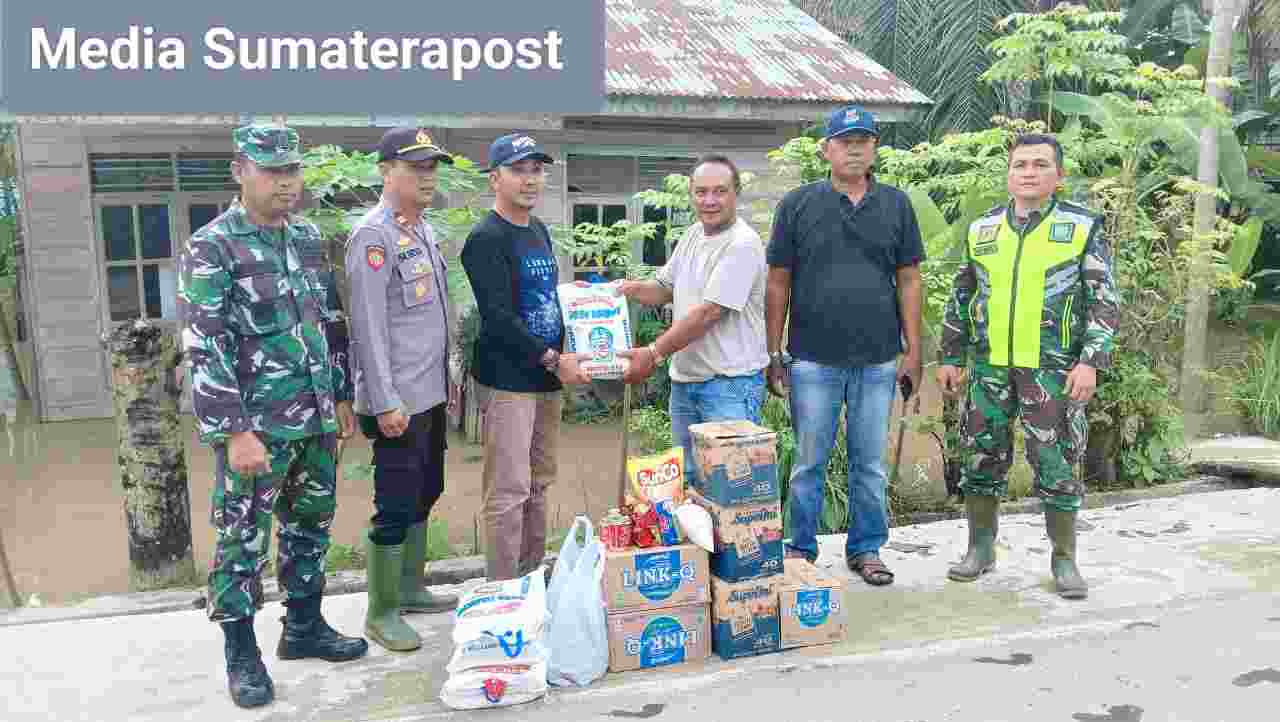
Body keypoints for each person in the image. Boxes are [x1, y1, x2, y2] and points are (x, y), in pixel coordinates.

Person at [177, 125, 368, 710]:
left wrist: (338, 397)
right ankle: (241, 654)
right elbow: (204, 347)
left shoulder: (307, 238)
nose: (287, 181)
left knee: (310, 528)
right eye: (272, 170)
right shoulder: (212, 247)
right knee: (241, 541)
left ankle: (303, 628)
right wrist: (234, 431)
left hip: (314, 420)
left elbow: (328, 322)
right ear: (241, 171)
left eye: (293, 171)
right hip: (256, 428)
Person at [937, 133, 1119, 600]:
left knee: (1057, 464)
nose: (1029, 172)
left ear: (1059, 176)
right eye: (1020, 164)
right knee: (980, 459)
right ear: (1009, 174)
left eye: (1040, 164)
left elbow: (1104, 300)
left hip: (1052, 371)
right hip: (991, 369)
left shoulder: (1081, 227)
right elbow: (962, 297)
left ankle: (1064, 559)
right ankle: (980, 549)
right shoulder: (983, 230)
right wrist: (952, 357)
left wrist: (1090, 362)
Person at [765, 105, 925, 586]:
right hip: (812, 359)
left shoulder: (897, 205)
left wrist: (913, 350)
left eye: (864, 139)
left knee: (869, 464)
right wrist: (774, 354)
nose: (854, 148)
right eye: (845, 140)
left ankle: (867, 549)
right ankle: (799, 549)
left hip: (877, 360)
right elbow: (778, 282)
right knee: (809, 462)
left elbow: (910, 279)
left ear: (875, 147)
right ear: (826, 149)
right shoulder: (797, 204)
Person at [344, 127, 461, 652]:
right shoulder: (375, 236)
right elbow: (368, 326)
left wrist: (449, 380)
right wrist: (385, 399)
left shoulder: (423, 229)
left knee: (426, 488)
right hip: (397, 400)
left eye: (432, 167)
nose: (427, 177)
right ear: (386, 172)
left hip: (429, 390)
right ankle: (381, 611)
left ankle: (411, 587)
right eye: (416, 168)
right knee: (394, 501)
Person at [461, 132, 590, 582]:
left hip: (546, 379)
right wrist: (554, 359)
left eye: (537, 170)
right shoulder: (485, 237)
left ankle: (532, 577)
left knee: (539, 482)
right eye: (519, 170)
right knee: (509, 489)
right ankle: (502, 591)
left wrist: (577, 335)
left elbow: (547, 300)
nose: (530, 179)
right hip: (508, 380)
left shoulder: (537, 231)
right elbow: (497, 318)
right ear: (494, 178)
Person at [616, 154, 769, 485]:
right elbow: (663, 287)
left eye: (720, 191)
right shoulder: (693, 235)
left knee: (731, 490)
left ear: (736, 193)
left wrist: (653, 353)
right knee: (686, 485)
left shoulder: (742, 244)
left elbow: (709, 313)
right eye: (701, 192)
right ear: (691, 194)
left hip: (729, 385)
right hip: (686, 383)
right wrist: (617, 291)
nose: (709, 201)